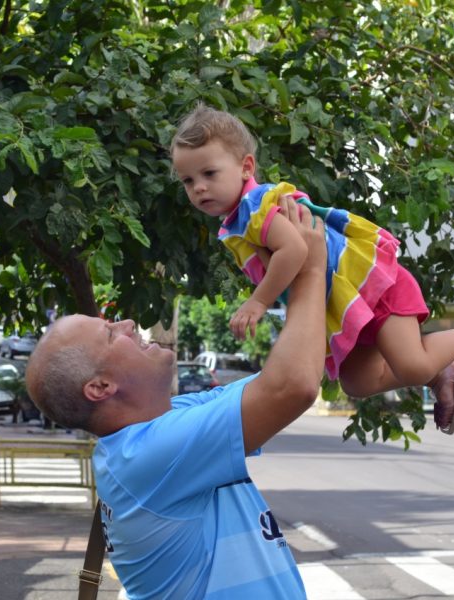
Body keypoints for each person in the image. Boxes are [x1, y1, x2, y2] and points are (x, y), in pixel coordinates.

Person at [26, 199, 327, 599]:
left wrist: (427, 361)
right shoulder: (150, 455)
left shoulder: (163, 426)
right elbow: (292, 387)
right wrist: (309, 269)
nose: (128, 323)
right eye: (111, 334)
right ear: (100, 388)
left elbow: (291, 373)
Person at [170, 103, 454, 436]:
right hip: (345, 305)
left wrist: (258, 302)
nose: (199, 187)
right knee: (358, 381)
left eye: (209, 173)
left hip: (372, 288)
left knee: (413, 366)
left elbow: (295, 251)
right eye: (188, 181)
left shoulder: (257, 207)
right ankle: (443, 373)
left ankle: (436, 368)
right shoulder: (240, 220)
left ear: (246, 167)